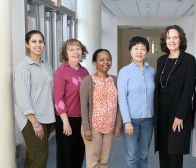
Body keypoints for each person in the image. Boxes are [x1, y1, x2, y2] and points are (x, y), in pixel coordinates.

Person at [154, 25, 196, 168]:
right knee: (164, 152)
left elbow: (188, 90)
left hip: (178, 114)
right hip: (162, 114)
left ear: (181, 39)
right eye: (168, 37)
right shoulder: (161, 60)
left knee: (175, 153)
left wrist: (180, 115)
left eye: (175, 37)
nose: (171, 40)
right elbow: (158, 88)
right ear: (165, 41)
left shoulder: (189, 60)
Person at [13, 30, 56, 168]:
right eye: (34, 41)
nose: (38, 45)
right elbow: (22, 96)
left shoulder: (46, 66)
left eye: (40, 41)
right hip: (32, 119)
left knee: (33, 157)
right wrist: (34, 122)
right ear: (27, 44)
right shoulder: (23, 67)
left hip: (46, 117)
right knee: (39, 158)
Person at [80, 49, 122, 168]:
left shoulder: (115, 80)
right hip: (93, 128)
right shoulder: (88, 80)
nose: (106, 62)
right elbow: (83, 106)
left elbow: (119, 105)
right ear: (94, 63)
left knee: (104, 162)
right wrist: (86, 128)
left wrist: (118, 125)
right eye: (101, 59)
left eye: (108, 59)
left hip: (109, 128)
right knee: (93, 162)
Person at [118, 36, 155, 168]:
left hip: (148, 120)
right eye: (136, 48)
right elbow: (121, 98)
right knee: (132, 157)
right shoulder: (124, 72)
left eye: (143, 49)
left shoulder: (152, 72)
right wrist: (126, 121)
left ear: (147, 51)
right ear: (130, 51)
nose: (139, 52)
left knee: (144, 155)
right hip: (131, 121)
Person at [53, 39, 89, 168]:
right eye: (71, 49)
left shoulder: (84, 72)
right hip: (66, 119)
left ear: (82, 51)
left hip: (82, 120)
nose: (75, 52)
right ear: (65, 53)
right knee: (66, 156)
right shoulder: (61, 72)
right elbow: (58, 99)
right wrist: (66, 122)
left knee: (79, 154)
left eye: (78, 49)